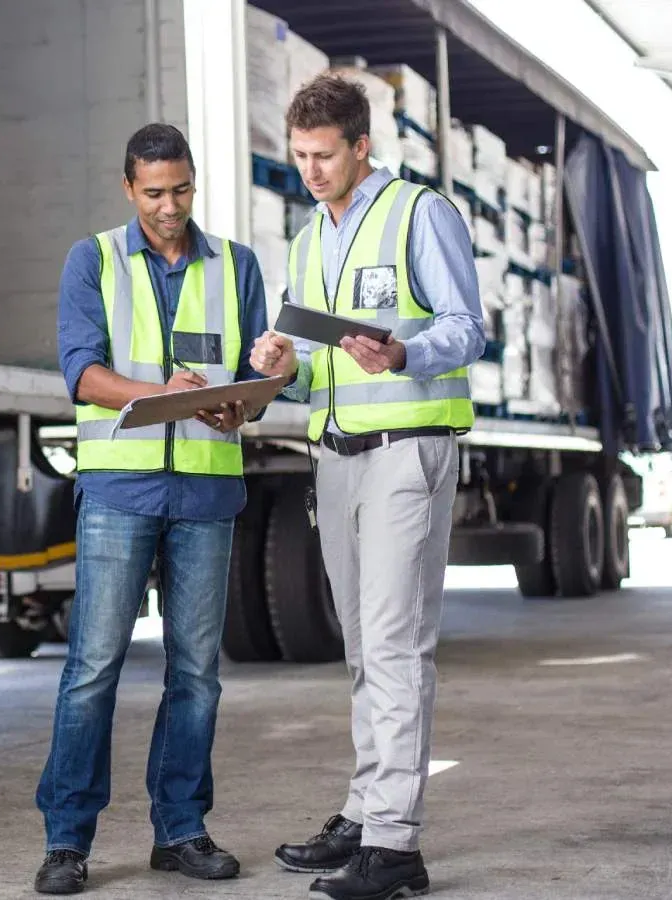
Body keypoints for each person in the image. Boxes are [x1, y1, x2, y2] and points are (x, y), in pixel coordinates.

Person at [249, 73, 484, 900]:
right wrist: (281, 364)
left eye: (324, 155)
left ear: (361, 147)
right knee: (363, 648)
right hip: (338, 456)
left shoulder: (420, 214)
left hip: (407, 450)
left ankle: (394, 844)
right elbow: (315, 361)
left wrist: (405, 353)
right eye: (300, 156)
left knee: (393, 644)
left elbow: (467, 327)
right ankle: (363, 808)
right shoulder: (309, 238)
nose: (310, 170)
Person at [33, 122, 270, 895]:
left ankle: (181, 831)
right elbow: (82, 374)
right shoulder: (93, 259)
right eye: (156, 193)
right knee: (92, 670)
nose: (171, 207)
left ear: (195, 182)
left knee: (197, 673)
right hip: (119, 491)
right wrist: (158, 396)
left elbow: (247, 380)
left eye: (183, 190)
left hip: (206, 492)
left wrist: (241, 406)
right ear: (129, 187)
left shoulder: (236, 265)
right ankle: (67, 842)